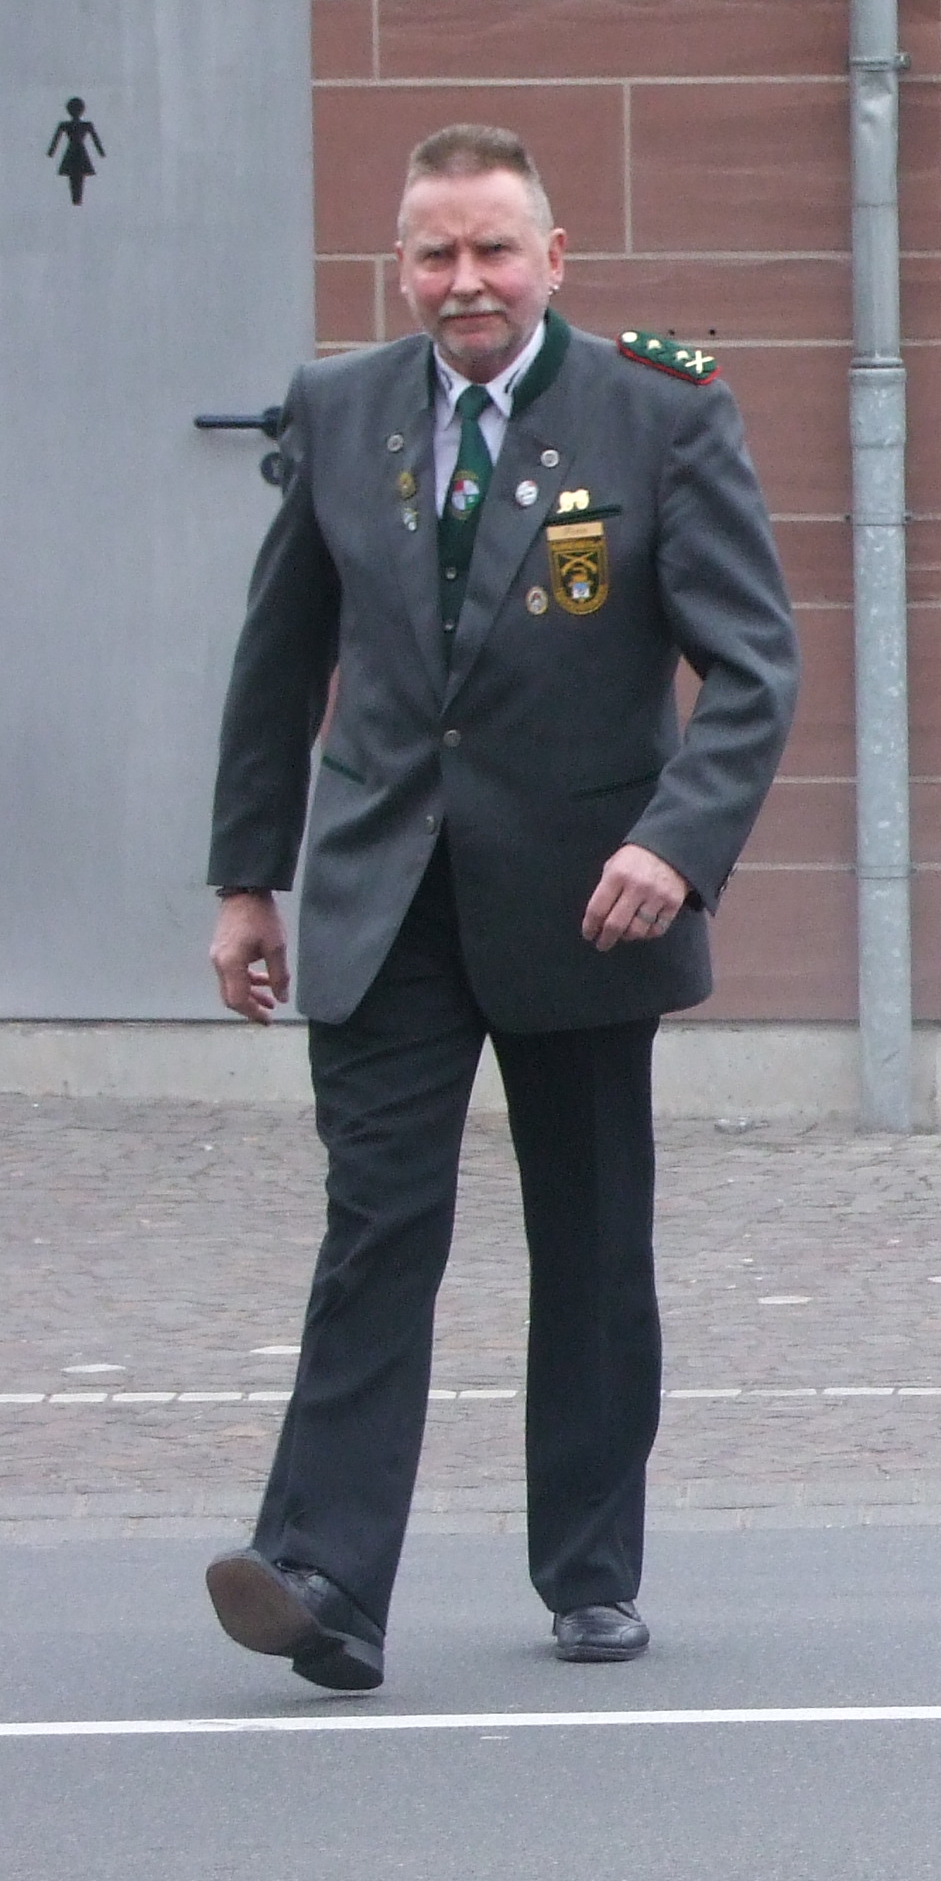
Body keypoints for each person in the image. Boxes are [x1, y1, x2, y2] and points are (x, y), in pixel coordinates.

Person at [198, 124, 799, 1692]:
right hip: (384, 895)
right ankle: (324, 1576)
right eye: (434, 254)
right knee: (376, 1229)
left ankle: (590, 1570)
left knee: (589, 1242)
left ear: (553, 258)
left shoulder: (660, 410)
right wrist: (245, 881)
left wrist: (677, 843)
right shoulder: (338, 410)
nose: (464, 282)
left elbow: (753, 669)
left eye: (492, 251)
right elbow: (279, 667)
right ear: (399, 266)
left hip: (589, 899)